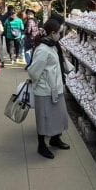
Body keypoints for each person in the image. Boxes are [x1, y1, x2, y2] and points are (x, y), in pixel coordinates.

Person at [27, 19, 71, 159]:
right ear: (52, 33)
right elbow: (33, 72)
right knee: (44, 118)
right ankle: (41, 145)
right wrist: (46, 82)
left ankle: (55, 138)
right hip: (45, 90)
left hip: (55, 88)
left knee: (59, 116)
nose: (60, 35)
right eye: (59, 33)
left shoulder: (52, 46)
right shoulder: (42, 49)